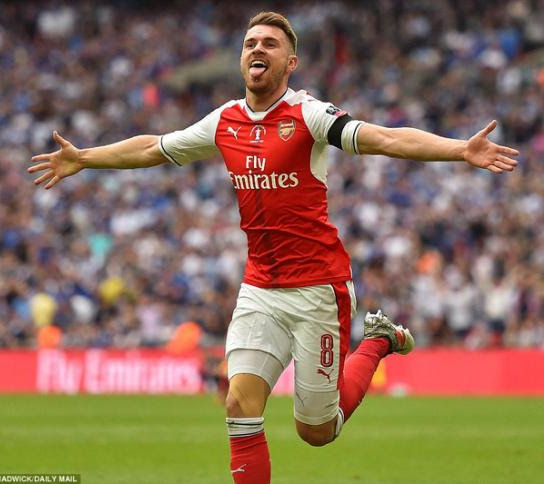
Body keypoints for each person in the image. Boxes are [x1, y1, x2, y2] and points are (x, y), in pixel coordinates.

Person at [28, 11, 520, 483]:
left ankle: (378, 340)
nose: (257, 49)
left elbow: (384, 139)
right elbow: (153, 147)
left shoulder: (309, 115)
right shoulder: (224, 121)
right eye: (249, 44)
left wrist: (460, 149)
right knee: (239, 404)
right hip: (260, 287)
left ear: (291, 62)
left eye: (269, 43)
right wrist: (84, 158)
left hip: (318, 288)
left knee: (316, 431)